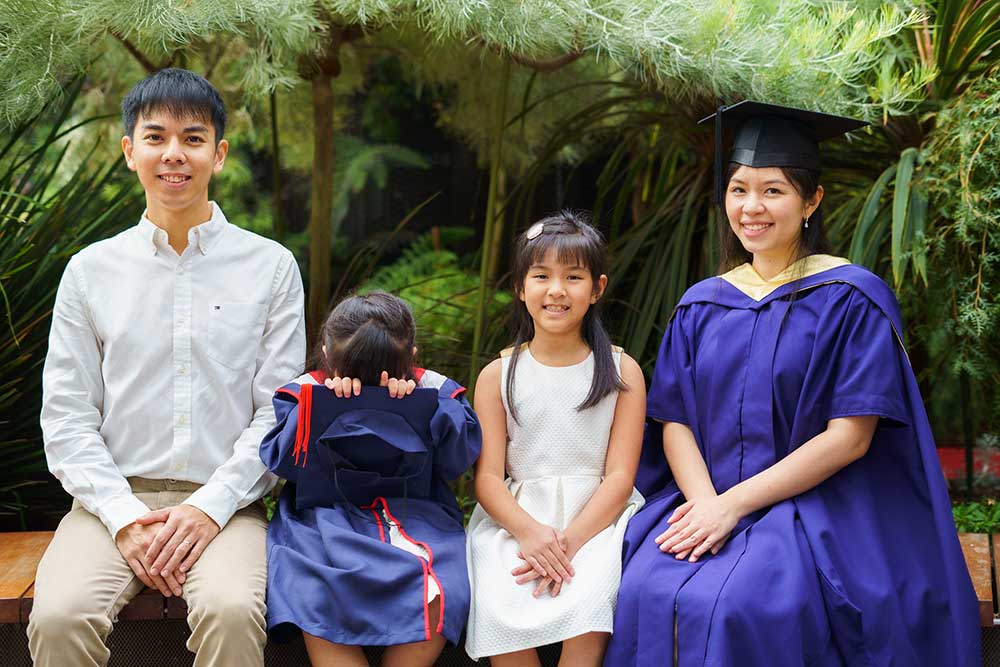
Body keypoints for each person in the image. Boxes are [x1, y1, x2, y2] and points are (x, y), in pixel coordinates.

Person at [604, 101, 980, 667]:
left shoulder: (852, 298)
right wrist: (707, 505)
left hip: (818, 505)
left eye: (773, 190)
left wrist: (731, 508)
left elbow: (850, 437)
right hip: (706, 498)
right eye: (739, 189)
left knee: (741, 604)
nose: (752, 207)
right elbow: (674, 419)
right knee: (642, 589)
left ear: (811, 201)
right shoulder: (700, 305)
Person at [28, 68, 306, 667]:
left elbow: (278, 415)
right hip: (108, 504)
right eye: (155, 137)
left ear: (219, 153)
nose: (173, 154)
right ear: (130, 152)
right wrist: (126, 517)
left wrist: (210, 507)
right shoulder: (89, 272)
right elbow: (68, 417)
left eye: (193, 138)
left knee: (232, 612)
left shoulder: (272, 267)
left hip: (227, 503)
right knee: (57, 617)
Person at [260, 291, 481, 667]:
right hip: (321, 521)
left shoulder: (435, 391)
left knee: (446, 590)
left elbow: (455, 462)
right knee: (311, 588)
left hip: (416, 516)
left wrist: (427, 407)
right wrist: (320, 406)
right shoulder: (305, 391)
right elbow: (284, 464)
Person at [466, 212, 647, 666]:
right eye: (541, 276)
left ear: (598, 287)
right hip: (517, 520)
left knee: (590, 600)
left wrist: (566, 545)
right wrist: (529, 533)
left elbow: (621, 475)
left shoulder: (623, 372)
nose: (557, 290)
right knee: (499, 595)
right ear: (520, 287)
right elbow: (487, 478)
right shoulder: (497, 376)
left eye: (574, 277)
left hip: (598, 522)